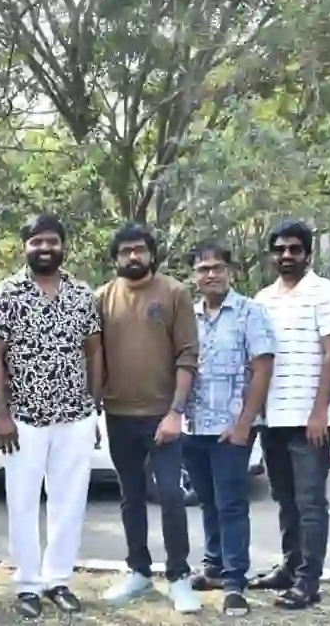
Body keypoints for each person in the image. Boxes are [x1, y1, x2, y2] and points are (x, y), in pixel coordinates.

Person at [0, 213, 102, 618]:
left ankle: (58, 580)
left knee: (69, 503)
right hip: (23, 419)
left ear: (63, 246)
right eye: (36, 241)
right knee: (22, 502)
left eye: (52, 241)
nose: (45, 248)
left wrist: (93, 408)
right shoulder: (6, 293)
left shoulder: (81, 293)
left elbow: (94, 350)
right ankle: (28, 585)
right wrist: (0, 413)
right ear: (25, 247)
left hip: (75, 416)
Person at [95, 224, 201, 613]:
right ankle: (138, 572)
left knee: (171, 495)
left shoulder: (174, 293)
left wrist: (176, 412)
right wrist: (94, 408)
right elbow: (95, 356)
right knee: (131, 496)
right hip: (118, 414)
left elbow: (188, 355)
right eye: (125, 251)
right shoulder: (102, 298)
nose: (133, 256)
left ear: (151, 254)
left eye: (139, 249)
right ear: (116, 258)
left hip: (162, 417)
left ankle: (178, 577)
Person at [250, 220, 330, 610]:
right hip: (273, 417)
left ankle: (309, 581)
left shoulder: (325, 293)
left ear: (308, 254)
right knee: (284, 499)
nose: (286, 255)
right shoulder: (262, 299)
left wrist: (321, 411)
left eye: (294, 249)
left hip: (309, 420)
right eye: (279, 249)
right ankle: (290, 567)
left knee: (310, 503)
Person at [184, 240, 277, 617]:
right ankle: (214, 568)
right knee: (207, 501)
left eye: (217, 268)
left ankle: (236, 583)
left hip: (232, 429)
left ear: (230, 272)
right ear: (194, 276)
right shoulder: (187, 316)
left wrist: (243, 425)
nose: (211, 275)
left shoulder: (250, 312)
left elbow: (262, 369)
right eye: (203, 269)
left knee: (231, 505)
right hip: (194, 427)